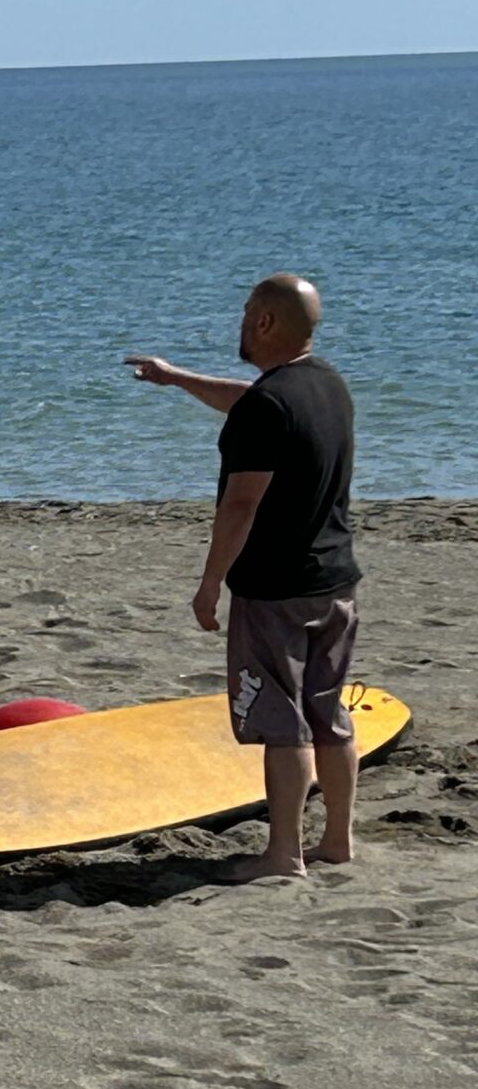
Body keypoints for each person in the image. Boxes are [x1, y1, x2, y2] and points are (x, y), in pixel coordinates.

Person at [126, 273, 360, 879]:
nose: (240, 321)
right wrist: (176, 377)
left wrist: (210, 585)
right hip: (335, 583)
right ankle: (337, 840)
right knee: (329, 712)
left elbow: (239, 506)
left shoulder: (266, 408)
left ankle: (283, 854)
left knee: (283, 722)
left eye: (247, 311)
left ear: (264, 322)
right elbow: (254, 401)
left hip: (275, 590)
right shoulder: (327, 385)